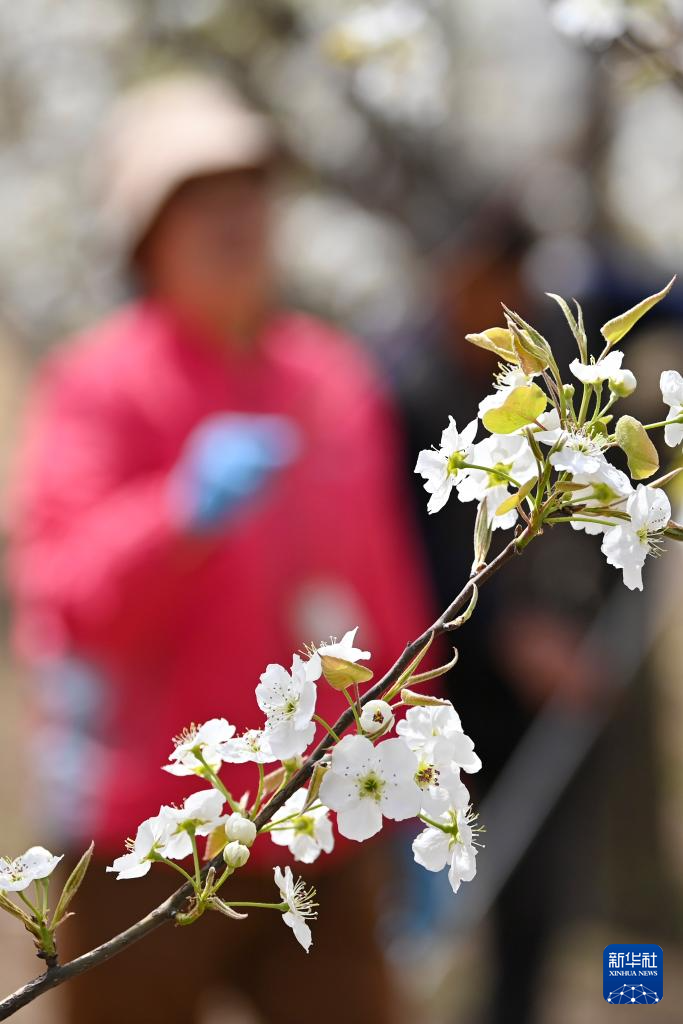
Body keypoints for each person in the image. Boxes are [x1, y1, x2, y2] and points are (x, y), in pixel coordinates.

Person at [7, 74, 434, 1024]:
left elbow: (385, 596)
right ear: (145, 233)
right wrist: (178, 517)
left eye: (250, 189)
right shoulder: (98, 385)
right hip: (144, 839)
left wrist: (417, 772)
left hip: (319, 829)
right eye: (199, 196)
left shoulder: (333, 380)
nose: (235, 217)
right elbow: (66, 602)